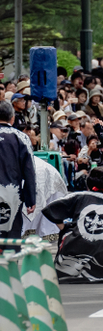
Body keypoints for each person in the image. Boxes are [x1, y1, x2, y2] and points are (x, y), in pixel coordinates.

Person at [42, 168, 103, 282]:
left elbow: (49, 210)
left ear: (88, 183)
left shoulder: (79, 197)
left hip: (72, 252)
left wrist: (65, 229)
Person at [0, 100, 37, 240]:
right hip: (12, 194)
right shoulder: (21, 137)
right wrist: (31, 199)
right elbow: (29, 170)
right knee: (11, 233)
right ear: (12, 117)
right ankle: (10, 261)